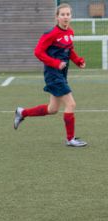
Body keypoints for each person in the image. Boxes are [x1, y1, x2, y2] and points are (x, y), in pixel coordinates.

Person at [14, 3, 87, 147]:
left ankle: (22, 113)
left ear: (71, 16)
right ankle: (70, 139)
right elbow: (38, 52)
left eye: (68, 14)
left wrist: (78, 61)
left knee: (52, 109)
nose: (66, 17)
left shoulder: (70, 32)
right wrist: (55, 63)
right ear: (57, 17)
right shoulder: (51, 34)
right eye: (63, 14)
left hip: (61, 74)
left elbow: (69, 50)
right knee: (71, 104)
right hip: (53, 74)